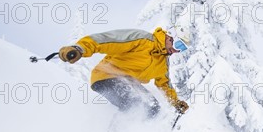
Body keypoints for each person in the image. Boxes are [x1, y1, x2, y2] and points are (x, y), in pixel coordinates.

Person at [58, 27, 189, 117]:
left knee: (154, 109)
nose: (177, 51)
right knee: (136, 104)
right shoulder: (143, 40)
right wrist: (80, 48)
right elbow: (106, 40)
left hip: (130, 82)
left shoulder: (163, 62)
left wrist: (175, 102)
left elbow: (164, 84)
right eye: (179, 45)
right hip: (107, 76)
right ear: (170, 37)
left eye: (182, 49)